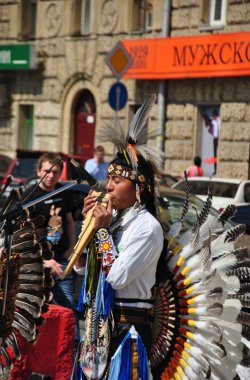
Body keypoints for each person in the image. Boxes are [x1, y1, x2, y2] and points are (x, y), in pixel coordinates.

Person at [73, 94, 164, 379]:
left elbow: (116, 277)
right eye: (108, 179)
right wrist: (87, 229)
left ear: (139, 187)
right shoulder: (117, 220)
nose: (108, 187)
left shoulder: (147, 228)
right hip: (98, 329)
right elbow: (80, 267)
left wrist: (100, 231)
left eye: (117, 180)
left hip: (128, 333)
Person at [21, 152, 79, 346]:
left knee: (68, 310)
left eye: (55, 172)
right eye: (46, 171)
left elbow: (69, 221)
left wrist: (72, 247)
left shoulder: (63, 192)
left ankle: (71, 353)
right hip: (36, 265)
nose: (51, 175)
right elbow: (23, 236)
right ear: (39, 171)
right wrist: (44, 261)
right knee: (37, 314)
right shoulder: (29, 196)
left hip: (61, 260)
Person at [211, 109, 220, 174]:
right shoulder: (213, 122)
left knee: (218, 154)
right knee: (215, 154)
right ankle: (215, 169)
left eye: (214, 116)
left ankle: (218, 169)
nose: (213, 117)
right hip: (215, 138)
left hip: (219, 138)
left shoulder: (219, 120)